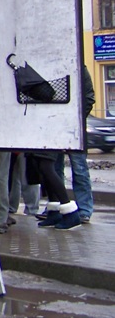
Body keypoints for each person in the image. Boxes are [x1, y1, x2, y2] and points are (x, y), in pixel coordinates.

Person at [54, 64, 95, 223]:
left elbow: (89, 97)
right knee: (54, 169)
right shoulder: (53, 65)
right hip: (55, 127)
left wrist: (75, 120)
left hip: (74, 129)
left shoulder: (80, 67)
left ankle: (84, 209)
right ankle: (58, 206)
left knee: (79, 169)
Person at [29, 151, 81, 230]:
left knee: (46, 167)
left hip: (47, 141)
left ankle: (70, 213)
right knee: (42, 167)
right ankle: (54, 212)